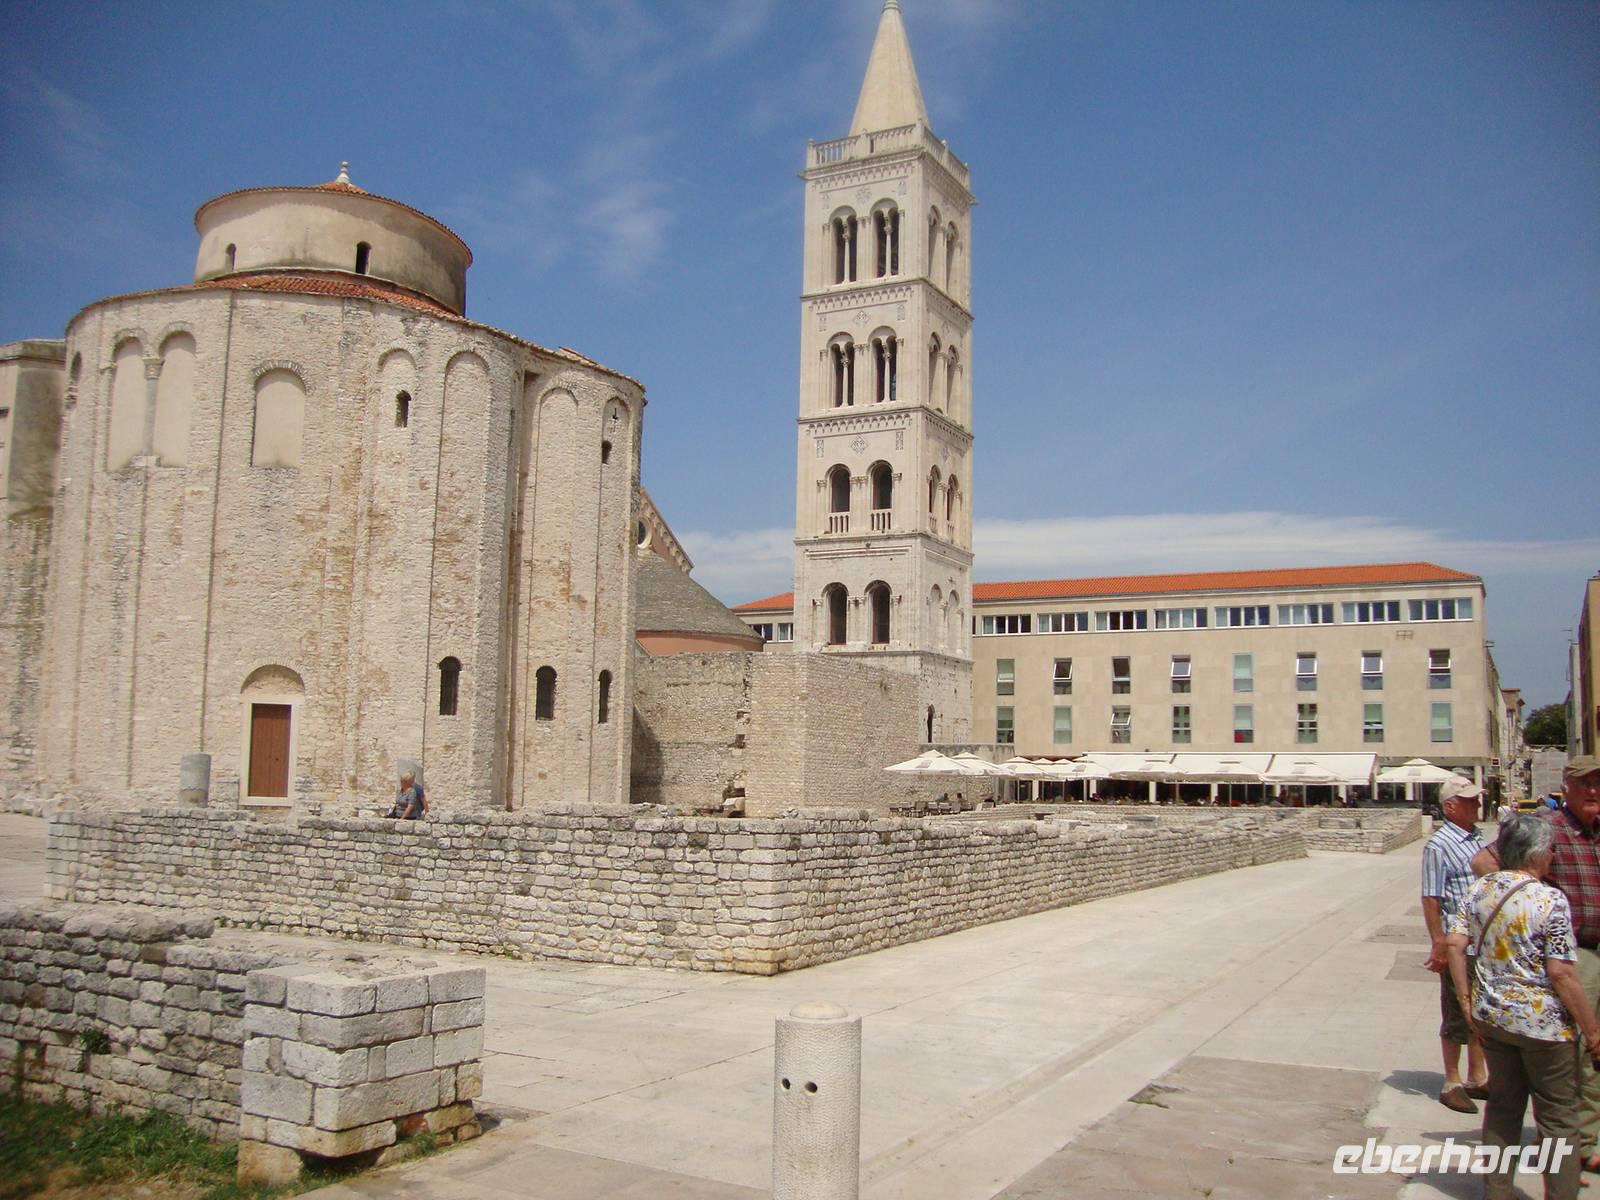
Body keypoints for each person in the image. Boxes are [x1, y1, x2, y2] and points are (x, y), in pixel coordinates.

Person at [1446, 814, 1600, 1200]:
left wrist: (1466, 1003)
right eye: (1550, 851)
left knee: (1503, 1107)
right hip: (1544, 1027)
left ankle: (1497, 1191)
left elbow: (1454, 944)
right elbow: (1562, 973)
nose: (1552, 857)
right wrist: (1592, 1030)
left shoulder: (1481, 889)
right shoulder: (1549, 899)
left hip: (1493, 1017)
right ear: (1536, 854)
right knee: (1558, 1118)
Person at [1423, 773, 1491, 1111]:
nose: (1477, 804)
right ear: (1451, 807)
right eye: (1469, 801)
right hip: (1457, 940)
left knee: (1478, 1007)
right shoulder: (1439, 845)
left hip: (1482, 939)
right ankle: (1451, 1080)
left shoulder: (1477, 838)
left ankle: (1477, 1075)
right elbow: (1431, 896)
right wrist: (1438, 941)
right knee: (1456, 1008)